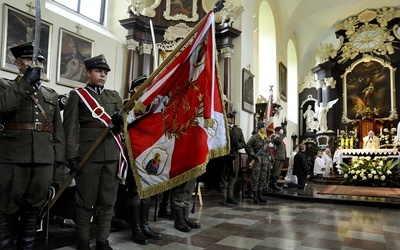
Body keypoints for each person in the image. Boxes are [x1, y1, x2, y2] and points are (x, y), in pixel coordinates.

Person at [0, 42, 65, 249]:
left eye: (39, 60)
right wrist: (25, 83)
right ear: (18, 64)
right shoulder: (5, 85)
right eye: (29, 60)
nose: (36, 64)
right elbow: (4, 107)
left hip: (44, 159)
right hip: (13, 157)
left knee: (34, 209)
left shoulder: (51, 94)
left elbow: (58, 131)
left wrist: (58, 161)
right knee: (6, 207)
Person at [63, 54, 125, 250]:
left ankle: (102, 240)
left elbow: (123, 127)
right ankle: (82, 240)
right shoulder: (78, 95)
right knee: (85, 201)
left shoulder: (114, 97)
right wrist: (71, 156)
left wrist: (118, 124)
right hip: (89, 155)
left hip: (112, 154)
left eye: (105, 73)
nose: (102, 75)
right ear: (88, 72)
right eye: (98, 71)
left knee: (108, 201)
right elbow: (70, 128)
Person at [125, 75, 163, 245]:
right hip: (134, 154)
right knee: (135, 192)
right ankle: (136, 230)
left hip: (149, 154)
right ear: (135, 89)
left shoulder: (152, 107)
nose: (149, 90)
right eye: (145, 87)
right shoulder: (128, 105)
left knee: (147, 191)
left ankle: (145, 226)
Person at [219, 112, 246, 205]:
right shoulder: (222, 129)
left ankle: (230, 197)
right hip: (224, 155)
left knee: (233, 176)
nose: (231, 119)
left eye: (232, 118)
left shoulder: (238, 130)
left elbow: (243, 143)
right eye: (229, 117)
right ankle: (224, 197)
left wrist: (237, 144)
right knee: (224, 176)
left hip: (235, 156)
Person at [245, 122, 272, 204]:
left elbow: (267, 150)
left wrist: (269, 158)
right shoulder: (254, 138)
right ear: (259, 129)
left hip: (265, 161)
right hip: (257, 161)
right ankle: (255, 197)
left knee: (262, 179)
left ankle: (260, 196)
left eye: (265, 128)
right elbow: (248, 146)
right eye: (263, 128)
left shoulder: (266, 139)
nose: (264, 129)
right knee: (255, 179)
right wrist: (253, 155)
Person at [269, 126, 287, 190]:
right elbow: (278, 141)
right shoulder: (274, 136)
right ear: (278, 131)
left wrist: (284, 132)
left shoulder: (279, 137)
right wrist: (281, 134)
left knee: (278, 172)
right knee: (275, 171)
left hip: (281, 157)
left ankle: (275, 183)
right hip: (277, 157)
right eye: (281, 130)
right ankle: (273, 184)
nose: (281, 132)